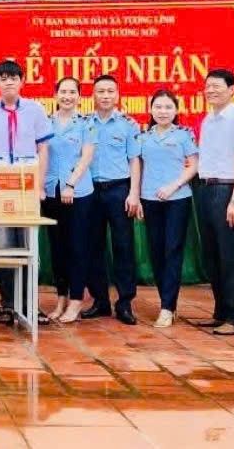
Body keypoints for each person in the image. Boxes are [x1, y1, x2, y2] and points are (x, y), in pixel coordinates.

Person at [0, 60, 51, 325]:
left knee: (30, 248)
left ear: (22, 81)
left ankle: (31, 305)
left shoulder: (36, 111)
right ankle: (7, 305)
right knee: (4, 247)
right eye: (3, 78)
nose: (9, 82)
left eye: (13, 78)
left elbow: (43, 150)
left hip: (28, 191)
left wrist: (39, 185)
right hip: (0, 191)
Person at [195, 69, 234, 336]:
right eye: (207, 86)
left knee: (231, 255)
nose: (210, 90)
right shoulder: (208, 119)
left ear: (232, 90)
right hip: (206, 188)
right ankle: (221, 312)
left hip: (227, 189)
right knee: (213, 255)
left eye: (216, 86)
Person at [82, 75, 142, 325]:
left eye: (110, 91)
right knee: (92, 247)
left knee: (123, 247)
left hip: (119, 190)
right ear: (93, 95)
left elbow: (134, 160)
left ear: (117, 95)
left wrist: (134, 193)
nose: (105, 96)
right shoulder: (84, 123)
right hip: (89, 191)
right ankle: (100, 301)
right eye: (101, 91)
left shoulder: (128, 125)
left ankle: (125, 303)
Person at [137, 89, 198, 329]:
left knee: (173, 250)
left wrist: (173, 186)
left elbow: (193, 165)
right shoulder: (143, 137)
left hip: (177, 199)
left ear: (176, 110)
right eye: (158, 107)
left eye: (168, 107)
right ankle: (168, 302)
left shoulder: (184, 135)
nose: (163, 112)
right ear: (151, 110)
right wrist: (137, 197)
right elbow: (138, 168)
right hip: (149, 199)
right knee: (156, 251)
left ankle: (166, 307)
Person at [42, 77, 96, 325]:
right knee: (57, 248)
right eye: (63, 91)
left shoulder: (86, 123)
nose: (67, 96)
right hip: (50, 191)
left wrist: (71, 183)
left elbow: (87, 157)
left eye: (72, 92)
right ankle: (61, 298)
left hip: (78, 192)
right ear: (55, 95)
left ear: (79, 97)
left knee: (77, 247)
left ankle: (76, 300)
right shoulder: (45, 122)